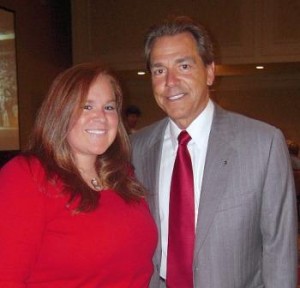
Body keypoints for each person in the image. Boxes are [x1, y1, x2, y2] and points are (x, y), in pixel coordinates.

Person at [130, 16, 298, 288]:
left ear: (209, 71)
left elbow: (280, 250)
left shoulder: (263, 144)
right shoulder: (138, 148)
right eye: (159, 70)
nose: (170, 81)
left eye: (183, 66)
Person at [0, 63, 157, 287]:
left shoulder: (123, 176)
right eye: (86, 106)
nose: (100, 117)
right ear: (60, 111)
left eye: (109, 107)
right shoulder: (26, 176)